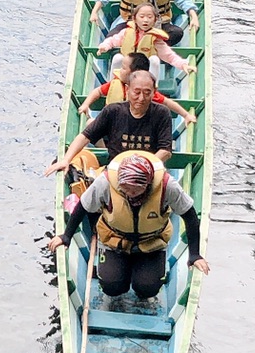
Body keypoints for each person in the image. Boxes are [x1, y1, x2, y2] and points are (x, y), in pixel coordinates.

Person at [49, 150, 208, 302]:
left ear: (148, 183)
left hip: (151, 243)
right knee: (112, 286)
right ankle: (116, 282)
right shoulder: (105, 182)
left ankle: (146, 288)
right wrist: (66, 236)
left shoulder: (168, 187)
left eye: (136, 189)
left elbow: (190, 216)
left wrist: (194, 255)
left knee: (147, 288)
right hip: (114, 240)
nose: (130, 193)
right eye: (126, 188)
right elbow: (82, 207)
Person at [46, 67, 173, 175]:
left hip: (149, 170)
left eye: (147, 93)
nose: (141, 98)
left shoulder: (162, 113)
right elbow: (85, 136)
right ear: (127, 90)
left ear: (154, 92)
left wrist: (142, 168)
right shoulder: (113, 111)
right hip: (116, 170)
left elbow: (165, 151)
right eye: (137, 92)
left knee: (173, 193)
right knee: (91, 195)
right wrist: (66, 160)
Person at [80, 53, 195, 129]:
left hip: (134, 128)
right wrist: (86, 105)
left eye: (124, 68)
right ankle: (105, 149)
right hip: (113, 125)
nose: (120, 70)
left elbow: (167, 102)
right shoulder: (116, 83)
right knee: (90, 124)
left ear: (134, 73)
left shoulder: (144, 92)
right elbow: (98, 91)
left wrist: (186, 115)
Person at [98, 2, 189, 76]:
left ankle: (152, 89)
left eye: (149, 17)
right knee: (118, 58)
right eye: (141, 17)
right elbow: (113, 40)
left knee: (155, 60)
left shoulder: (155, 38)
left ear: (155, 20)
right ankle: (113, 84)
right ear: (134, 18)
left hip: (144, 73)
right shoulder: (126, 32)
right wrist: (105, 46)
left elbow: (169, 56)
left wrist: (182, 64)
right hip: (127, 68)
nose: (145, 20)